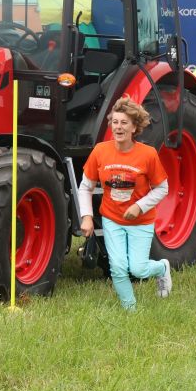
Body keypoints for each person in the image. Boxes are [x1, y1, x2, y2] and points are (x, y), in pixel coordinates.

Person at [78, 97, 171, 311]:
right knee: (118, 268)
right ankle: (130, 310)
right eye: (115, 122)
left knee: (137, 269)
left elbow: (162, 188)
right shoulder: (101, 151)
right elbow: (85, 187)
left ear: (134, 127)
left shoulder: (147, 154)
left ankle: (161, 268)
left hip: (141, 221)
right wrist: (87, 216)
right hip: (112, 219)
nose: (118, 127)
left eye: (124, 123)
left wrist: (140, 206)